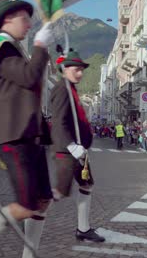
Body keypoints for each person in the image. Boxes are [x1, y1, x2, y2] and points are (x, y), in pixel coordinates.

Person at [0, 0, 54, 258]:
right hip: (13, 135)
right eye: (24, 19)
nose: (29, 25)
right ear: (6, 20)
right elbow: (28, 77)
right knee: (26, 202)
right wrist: (40, 45)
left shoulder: (14, 48)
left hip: (29, 133)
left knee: (42, 200)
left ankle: (29, 254)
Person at [49, 49, 105, 242]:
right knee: (59, 191)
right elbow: (58, 122)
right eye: (76, 69)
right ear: (65, 69)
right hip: (67, 150)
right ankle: (30, 215)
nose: (80, 73)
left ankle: (83, 228)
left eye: (82, 70)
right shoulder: (61, 89)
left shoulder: (71, 88)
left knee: (87, 184)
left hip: (78, 150)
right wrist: (71, 145)